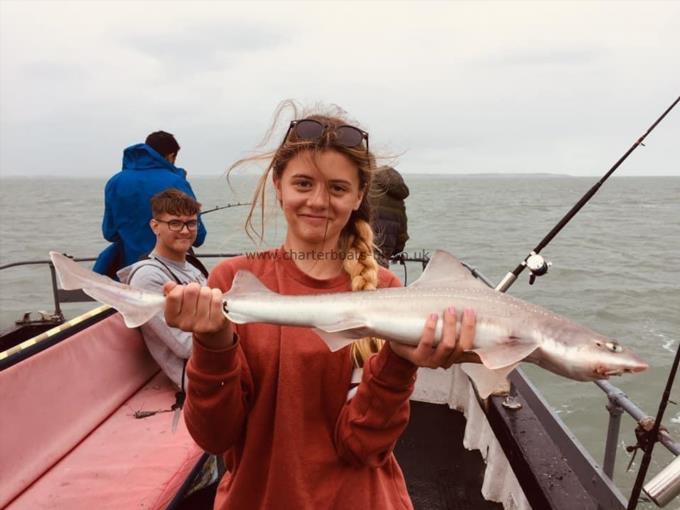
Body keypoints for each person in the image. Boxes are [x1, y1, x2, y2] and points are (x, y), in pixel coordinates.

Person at [163, 107, 478, 509]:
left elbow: (361, 446)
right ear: (279, 185)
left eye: (337, 188)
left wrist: (400, 362)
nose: (317, 201)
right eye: (303, 183)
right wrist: (212, 344)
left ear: (359, 196)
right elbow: (214, 437)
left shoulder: (384, 289)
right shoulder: (234, 280)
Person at [117, 188, 208, 388]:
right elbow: (185, 346)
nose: (185, 230)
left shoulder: (192, 268)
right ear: (155, 226)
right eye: (175, 223)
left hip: (221, 360)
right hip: (200, 378)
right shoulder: (148, 277)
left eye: (191, 223)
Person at [93, 131, 207, 278]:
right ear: (171, 156)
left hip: (126, 273)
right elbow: (199, 237)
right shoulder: (177, 182)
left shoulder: (115, 182)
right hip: (169, 274)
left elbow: (109, 233)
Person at [370, 166, 410, 267]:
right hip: (384, 254)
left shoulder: (368, 188)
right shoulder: (398, 200)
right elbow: (402, 232)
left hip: (364, 249)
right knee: (381, 280)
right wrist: (398, 251)